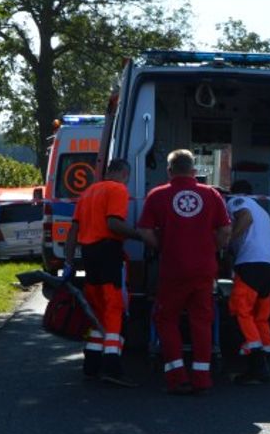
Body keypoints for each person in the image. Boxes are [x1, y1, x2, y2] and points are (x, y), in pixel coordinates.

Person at [137, 149, 231, 395]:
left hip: (173, 269)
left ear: (169, 171)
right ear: (194, 171)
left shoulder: (157, 195)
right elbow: (225, 231)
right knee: (201, 320)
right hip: (204, 270)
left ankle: (177, 377)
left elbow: (145, 232)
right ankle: (202, 377)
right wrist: (211, 249)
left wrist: (163, 246)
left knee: (166, 319)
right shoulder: (211, 194)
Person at [62, 158, 143, 386]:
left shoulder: (88, 192)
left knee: (96, 308)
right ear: (125, 174)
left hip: (88, 255)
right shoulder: (118, 190)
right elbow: (114, 224)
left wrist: (68, 261)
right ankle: (112, 367)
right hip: (108, 253)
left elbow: (73, 230)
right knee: (114, 307)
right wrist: (141, 236)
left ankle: (91, 364)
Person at [226, 179, 270, 384]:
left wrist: (227, 241)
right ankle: (266, 357)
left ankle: (256, 365)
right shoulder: (261, 210)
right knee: (260, 314)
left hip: (252, 262)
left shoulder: (238, 201)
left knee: (240, 310)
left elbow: (245, 219)